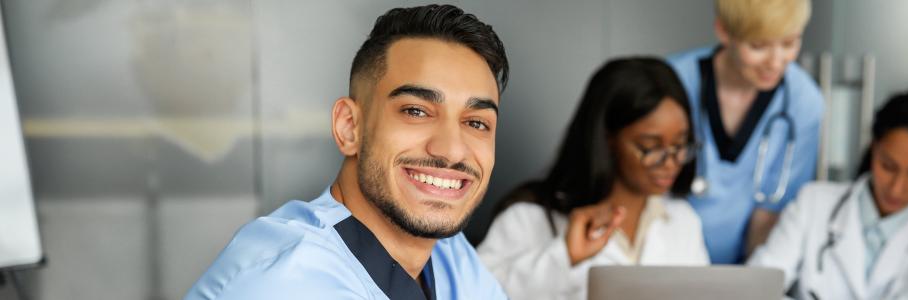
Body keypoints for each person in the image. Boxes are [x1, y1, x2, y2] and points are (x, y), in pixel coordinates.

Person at [186, 5, 509, 299]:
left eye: (476, 123)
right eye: (415, 111)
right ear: (349, 127)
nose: (451, 150)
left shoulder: (451, 256)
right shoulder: (285, 281)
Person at [476, 57, 709, 300]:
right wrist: (564, 257)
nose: (671, 162)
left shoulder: (684, 221)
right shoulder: (528, 218)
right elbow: (474, 291)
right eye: (650, 147)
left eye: (680, 145)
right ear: (607, 138)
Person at [748, 92, 908, 299]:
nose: (897, 188)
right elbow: (757, 285)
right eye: (888, 166)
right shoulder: (814, 202)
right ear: (874, 148)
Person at [665, 0, 824, 264]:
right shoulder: (672, 82)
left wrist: (750, 283)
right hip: (666, 259)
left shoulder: (803, 101)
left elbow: (771, 211)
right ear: (724, 32)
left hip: (746, 266)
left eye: (789, 43)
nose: (775, 62)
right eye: (758, 46)